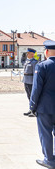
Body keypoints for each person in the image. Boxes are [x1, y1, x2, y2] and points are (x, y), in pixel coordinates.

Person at [30, 40, 55, 169]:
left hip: (45, 107)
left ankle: (49, 160)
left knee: (45, 133)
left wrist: (32, 106)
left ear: (46, 52)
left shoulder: (42, 66)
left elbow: (36, 89)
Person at [23, 48, 38, 117]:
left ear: (32, 54)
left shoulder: (34, 62)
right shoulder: (27, 61)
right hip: (26, 80)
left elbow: (35, 73)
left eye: (28, 53)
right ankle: (31, 109)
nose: (27, 54)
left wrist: (35, 82)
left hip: (31, 81)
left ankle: (34, 110)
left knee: (32, 96)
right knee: (29, 96)